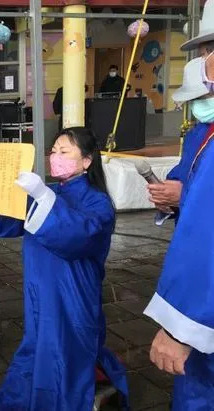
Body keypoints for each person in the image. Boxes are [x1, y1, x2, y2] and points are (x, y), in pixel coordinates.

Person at [0, 128, 129, 410]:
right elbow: (7, 220)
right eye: (53, 151)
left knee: (65, 357)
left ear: (87, 161)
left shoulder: (97, 202)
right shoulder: (46, 192)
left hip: (73, 297)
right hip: (40, 291)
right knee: (37, 347)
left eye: (65, 152)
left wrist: (45, 199)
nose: (55, 157)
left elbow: (76, 237)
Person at [144, 2, 214, 408]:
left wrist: (180, 328)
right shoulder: (201, 133)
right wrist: (171, 197)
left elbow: (206, 236)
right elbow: (188, 176)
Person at [148, 57, 210, 223]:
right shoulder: (197, 133)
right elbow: (183, 172)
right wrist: (167, 197)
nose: (199, 104)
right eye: (195, 99)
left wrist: (184, 195)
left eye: (204, 97)